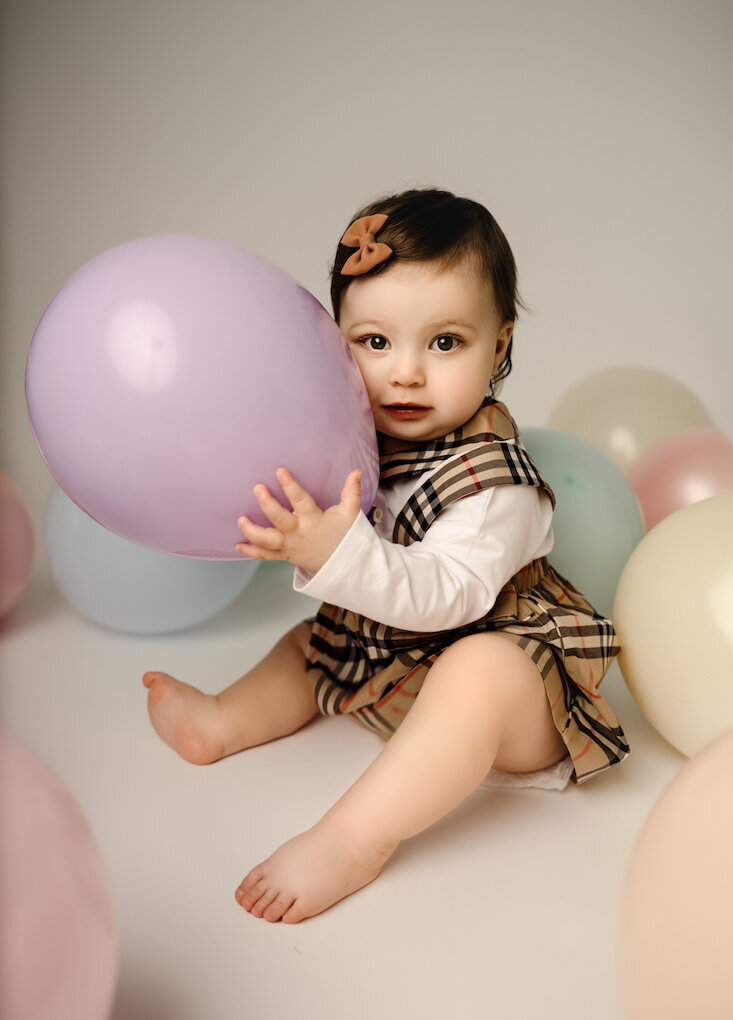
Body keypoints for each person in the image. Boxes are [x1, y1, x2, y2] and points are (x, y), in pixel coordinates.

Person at [143, 188, 629, 925]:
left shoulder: (494, 481)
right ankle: (221, 720)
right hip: (394, 666)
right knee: (312, 644)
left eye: (443, 343)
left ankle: (352, 839)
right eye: (374, 343)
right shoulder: (358, 440)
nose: (403, 373)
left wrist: (335, 552)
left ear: (497, 346)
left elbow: (447, 595)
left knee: (481, 672)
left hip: (507, 696)